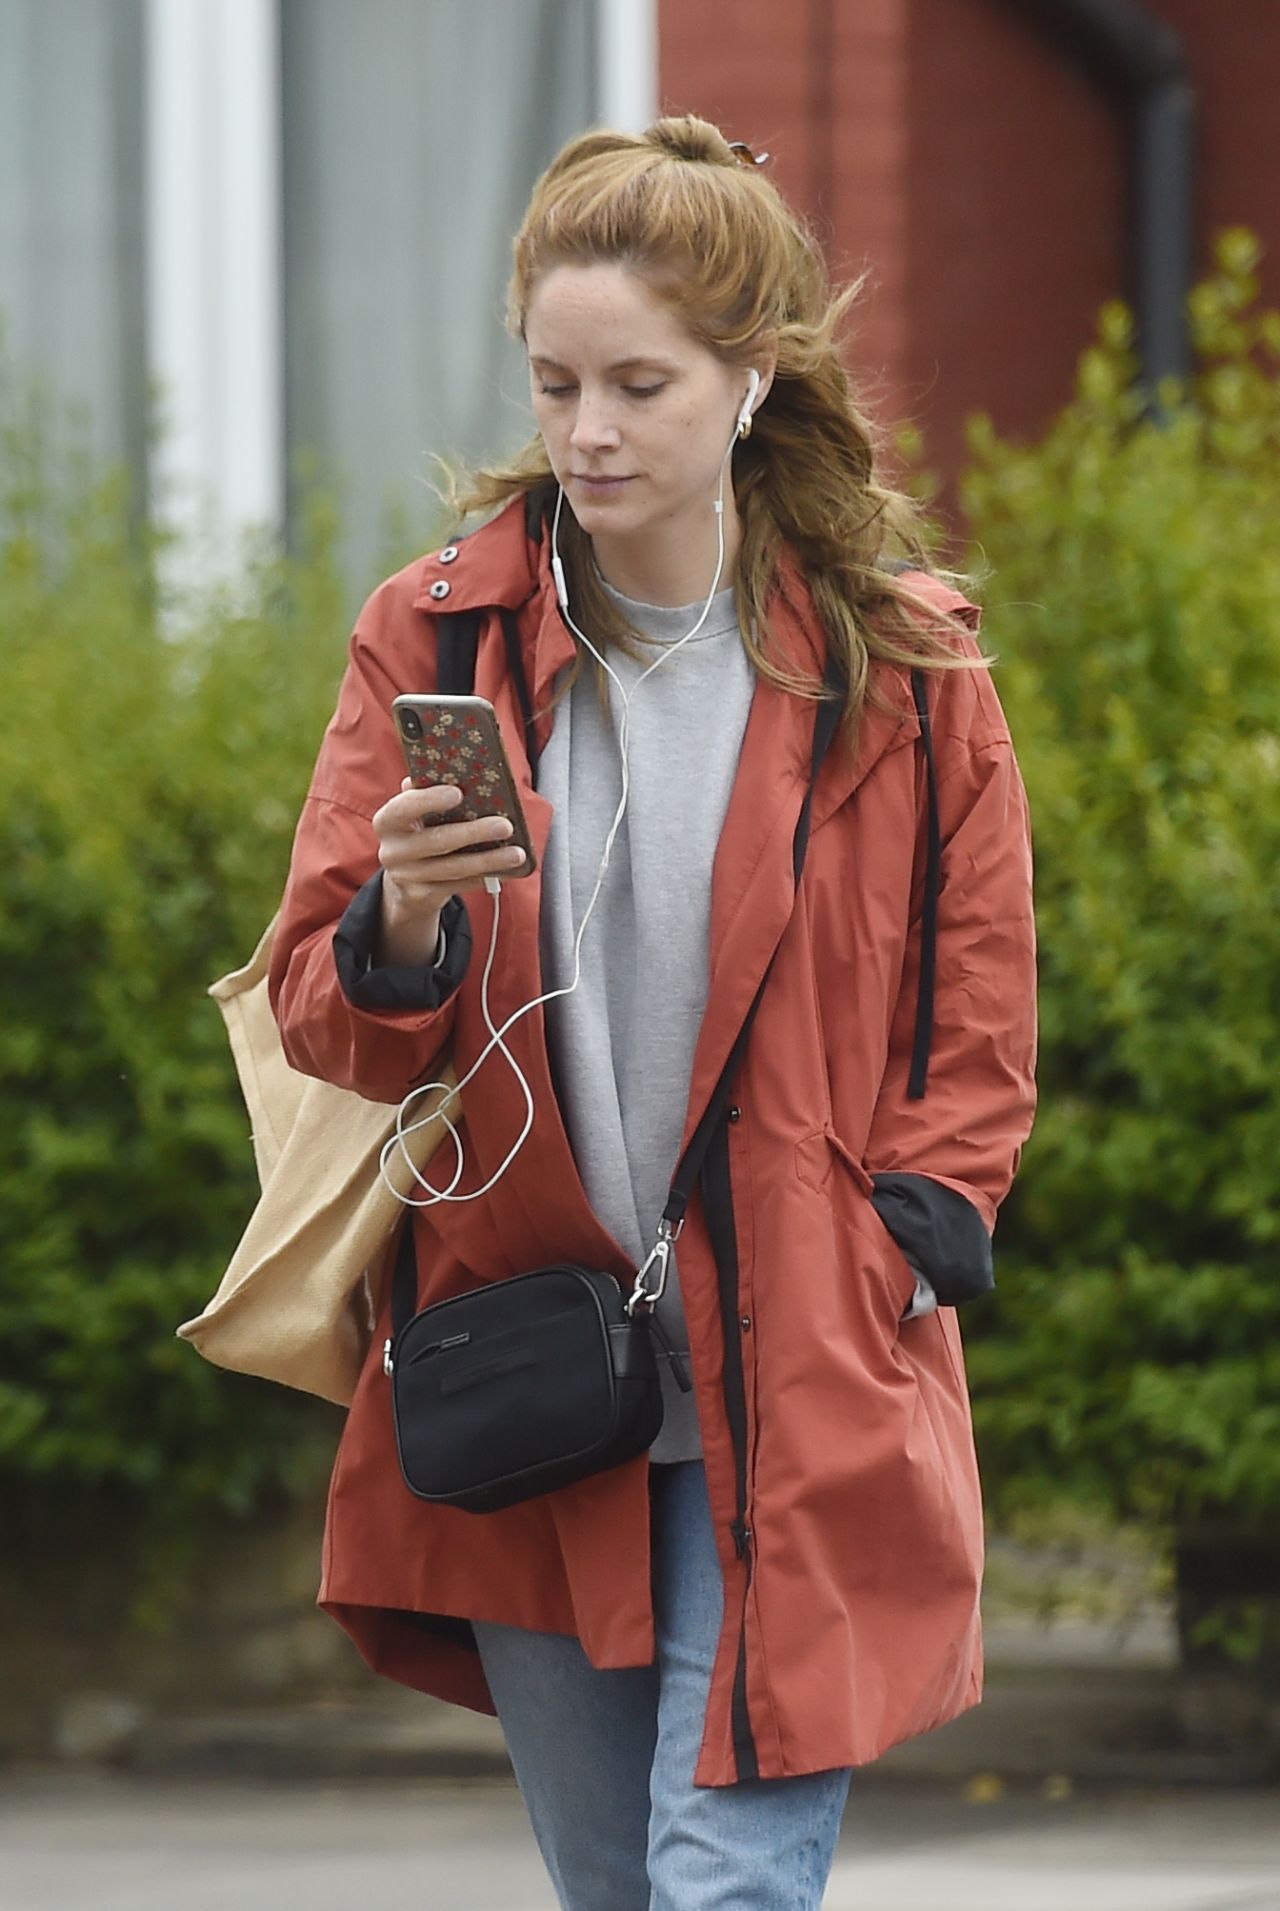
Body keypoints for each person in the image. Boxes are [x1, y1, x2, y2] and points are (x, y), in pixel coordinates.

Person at [269, 114, 1037, 1911]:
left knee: (727, 1888)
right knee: (621, 1889)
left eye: (639, 384)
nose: (590, 432)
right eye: (555, 384)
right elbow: (325, 1008)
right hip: (542, 1362)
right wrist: (403, 915)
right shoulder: (435, 638)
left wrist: (912, 1237)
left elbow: (975, 1005)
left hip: (803, 1353)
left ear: (751, 380)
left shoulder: (899, 665)